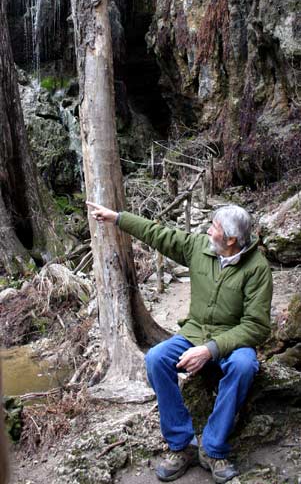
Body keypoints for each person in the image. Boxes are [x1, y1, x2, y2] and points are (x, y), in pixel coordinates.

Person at [87, 201, 272, 484]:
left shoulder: (257, 269)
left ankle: (213, 449)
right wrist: (118, 218)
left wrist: (210, 350)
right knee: (156, 359)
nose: (208, 231)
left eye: (215, 228)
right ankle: (181, 444)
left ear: (232, 240)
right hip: (195, 332)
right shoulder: (199, 247)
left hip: (232, 340)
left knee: (244, 365)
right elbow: (158, 234)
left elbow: (256, 327)